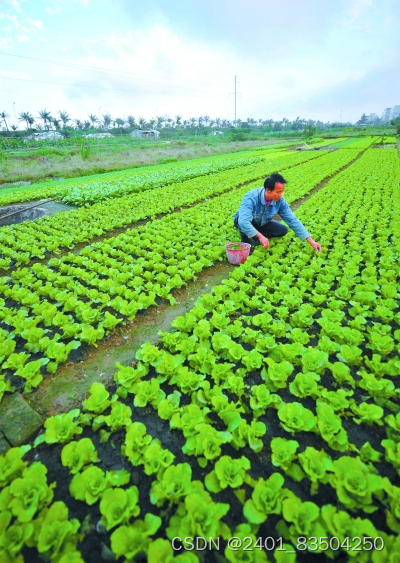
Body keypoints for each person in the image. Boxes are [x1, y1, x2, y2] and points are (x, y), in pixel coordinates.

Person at [233, 172, 322, 252]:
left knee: (282, 230)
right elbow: (243, 221)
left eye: (282, 192)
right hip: (244, 221)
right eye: (278, 192)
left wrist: (311, 241)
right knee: (246, 234)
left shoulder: (280, 200)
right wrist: (261, 237)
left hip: (261, 223)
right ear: (268, 190)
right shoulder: (251, 197)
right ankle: (248, 236)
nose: (281, 195)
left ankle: (255, 235)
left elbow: (292, 220)